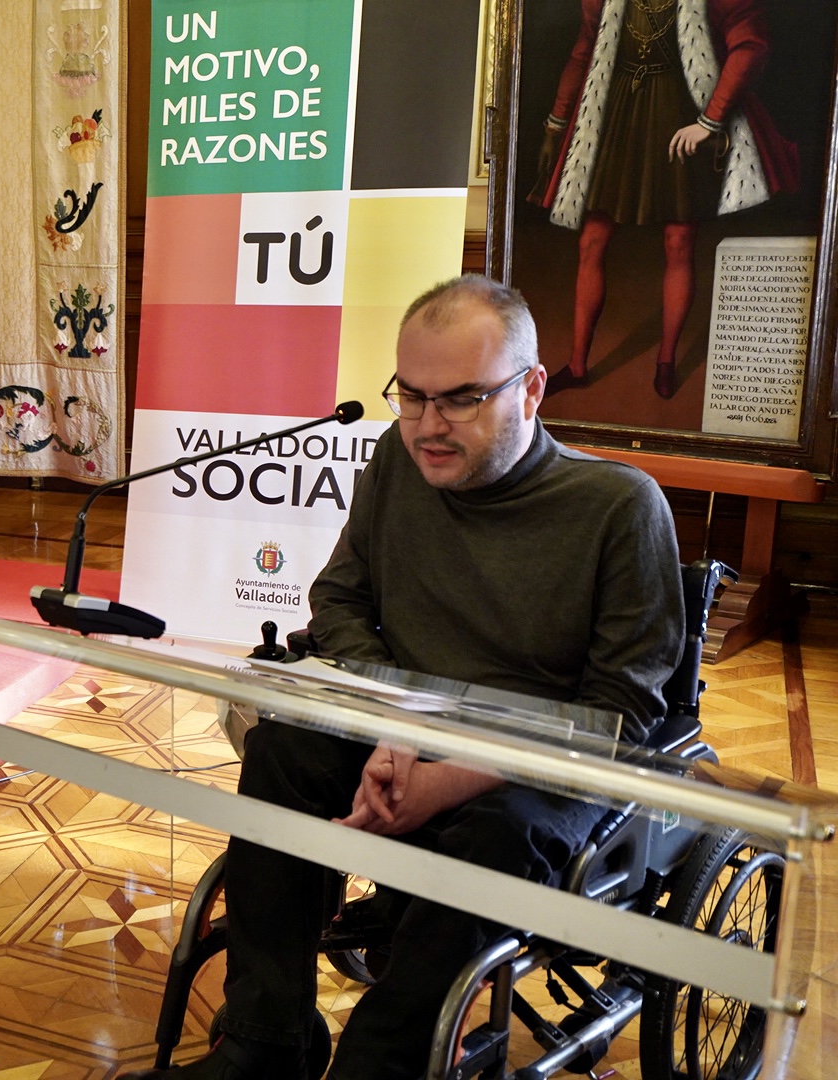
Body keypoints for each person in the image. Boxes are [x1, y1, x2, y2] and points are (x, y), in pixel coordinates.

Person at [122, 276, 683, 1080]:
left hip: (530, 769)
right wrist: (394, 723)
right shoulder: (399, 458)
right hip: (400, 726)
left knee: (497, 834)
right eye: (411, 396)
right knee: (282, 753)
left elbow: (617, 716)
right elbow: (340, 601)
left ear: (531, 389)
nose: (428, 426)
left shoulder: (619, 507)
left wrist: (448, 774)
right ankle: (265, 1043)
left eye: (460, 399)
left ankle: (378, 1065)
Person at [531, 0, 796, 400]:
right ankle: (578, 365)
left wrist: (710, 120)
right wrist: (556, 121)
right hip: (617, 113)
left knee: (678, 241)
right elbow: (583, 51)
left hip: (682, 112)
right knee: (592, 240)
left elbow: (751, 46)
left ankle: (666, 361)